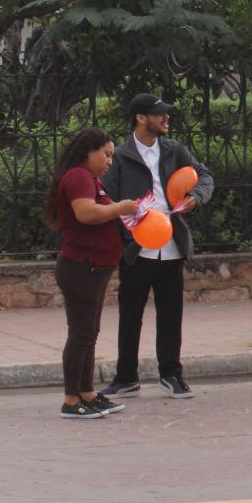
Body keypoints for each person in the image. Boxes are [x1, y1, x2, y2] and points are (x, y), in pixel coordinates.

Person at [98, 93, 214, 401]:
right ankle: (126, 377)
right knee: (130, 314)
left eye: (166, 114)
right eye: (159, 114)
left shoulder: (175, 150)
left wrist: (196, 197)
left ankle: (172, 374)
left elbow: (204, 176)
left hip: (172, 245)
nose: (165, 119)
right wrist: (124, 235)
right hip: (137, 247)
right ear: (140, 118)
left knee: (171, 313)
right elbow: (106, 197)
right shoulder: (121, 155)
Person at [43, 127, 140, 419]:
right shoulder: (78, 177)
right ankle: (71, 400)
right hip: (82, 266)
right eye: (106, 154)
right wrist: (121, 207)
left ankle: (87, 393)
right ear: (88, 151)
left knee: (89, 332)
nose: (109, 161)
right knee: (82, 334)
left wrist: (131, 210)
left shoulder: (90, 179)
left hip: (93, 267)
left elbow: (103, 210)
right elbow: (86, 212)